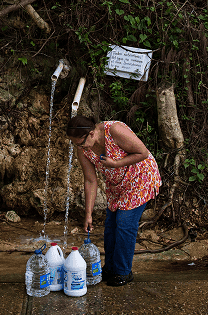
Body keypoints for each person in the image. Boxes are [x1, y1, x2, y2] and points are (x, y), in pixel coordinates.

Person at [67, 114, 161, 287]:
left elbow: (143, 152)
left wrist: (117, 163)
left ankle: (123, 272)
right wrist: (88, 214)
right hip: (117, 185)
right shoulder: (83, 149)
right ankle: (110, 268)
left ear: (91, 134)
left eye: (79, 143)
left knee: (125, 223)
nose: (78, 147)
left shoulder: (114, 130)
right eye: (74, 144)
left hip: (140, 178)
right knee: (111, 225)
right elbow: (90, 180)